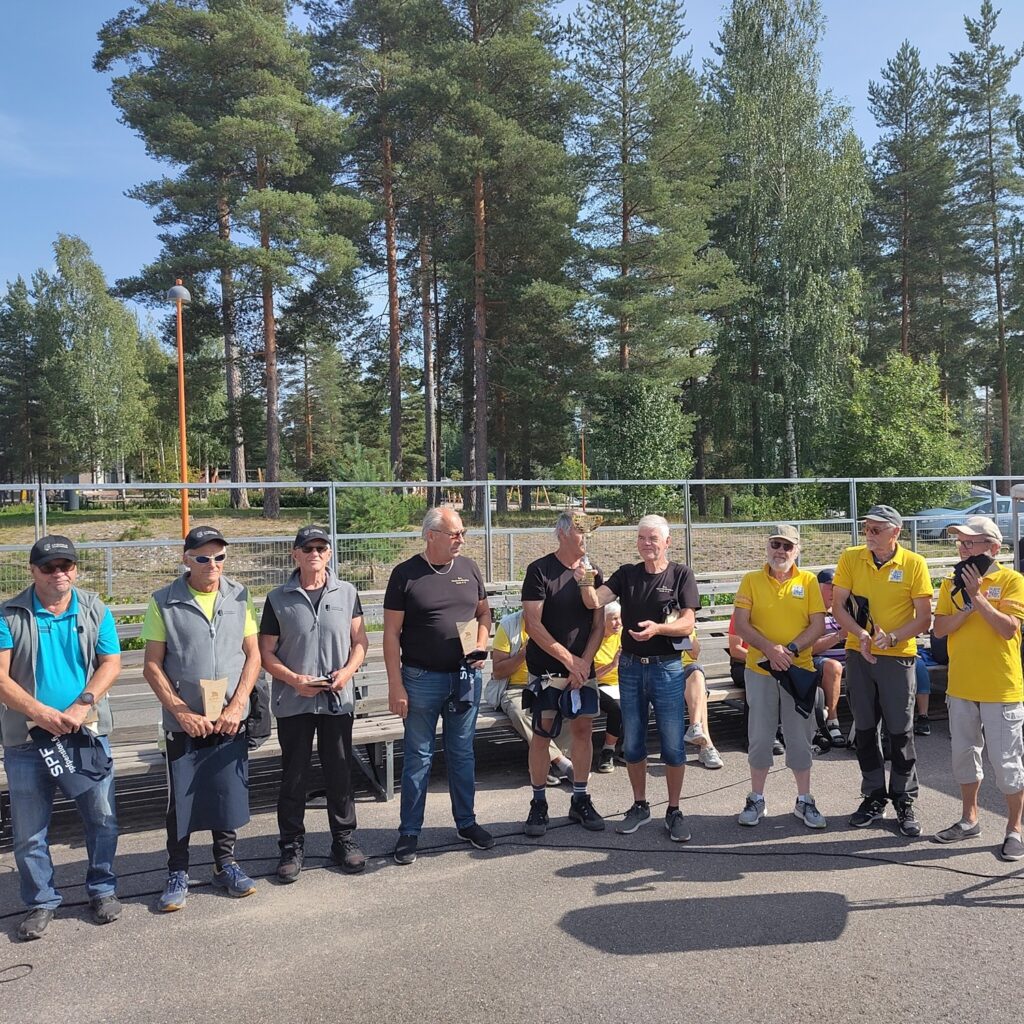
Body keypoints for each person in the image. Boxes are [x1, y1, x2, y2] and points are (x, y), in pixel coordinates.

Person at [0, 535, 122, 941]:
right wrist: (39, 713)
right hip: (27, 739)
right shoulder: (9, 614)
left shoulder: (94, 608)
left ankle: (102, 890)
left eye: (66, 565)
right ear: (32, 571)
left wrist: (82, 704)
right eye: (49, 567)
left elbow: (111, 662)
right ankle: (41, 901)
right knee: (29, 831)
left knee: (102, 817)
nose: (59, 574)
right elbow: (0, 679)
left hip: (85, 733)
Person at [142, 525, 262, 911]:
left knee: (225, 793)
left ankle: (225, 864)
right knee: (182, 799)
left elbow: (253, 657)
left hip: (228, 717)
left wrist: (236, 705)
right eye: (203, 557)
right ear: (186, 559)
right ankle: (177, 870)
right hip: (186, 720)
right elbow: (152, 666)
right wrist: (181, 711)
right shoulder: (163, 602)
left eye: (220, 557)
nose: (213, 564)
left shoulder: (240, 596)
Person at [579, 514, 700, 843]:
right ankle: (639, 805)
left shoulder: (681, 575)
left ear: (667, 542)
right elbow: (593, 600)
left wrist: (659, 629)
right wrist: (583, 576)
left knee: (673, 744)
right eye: (642, 538)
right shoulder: (626, 575)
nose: (647, 544)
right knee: (632, 743)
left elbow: (688, 623)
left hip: (667, 668)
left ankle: (674, 810)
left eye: (653, 538)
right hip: (630, 668)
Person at [384, 507, 494, 865]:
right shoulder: (406, 575)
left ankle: (466, 822)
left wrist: (482, 642)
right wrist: (395, 686)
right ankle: (409, 832)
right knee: (418, 757)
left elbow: (483, 612)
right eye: (454, 534)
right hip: (420, 680)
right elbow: (390, 635)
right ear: (431, 535)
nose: (461, 539)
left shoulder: (469, 568)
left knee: (462, 753)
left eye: (463, 533)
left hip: (464, 677)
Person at [259, 526, 369, 883]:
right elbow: (265, 653)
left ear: (330, 553)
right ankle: (291, 844)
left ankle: (344, 838)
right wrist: (295, 680)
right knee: (294, 776)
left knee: (340, 771)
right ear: (295, 555)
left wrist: (347, 673)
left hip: (337, 698)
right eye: (307, 548)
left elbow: (360, 641)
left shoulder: (347, 592)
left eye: (321, 547)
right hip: (295, 701)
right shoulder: (278, 599)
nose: (315, 554)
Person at [832, 504, 932, 837]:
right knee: (864, 730)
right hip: (858, 654)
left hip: (898, 656)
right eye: (866, 528)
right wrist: (860, 635)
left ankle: (904, 798)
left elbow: (923, 619)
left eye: (876, 529)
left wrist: (892, 638)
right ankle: (873, 795)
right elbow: (837, 605)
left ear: (895, 532)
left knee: (900, 731)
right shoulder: (851, 557)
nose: (869, 535)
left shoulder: (915, 563)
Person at [932, 516, 1024, 861]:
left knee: (1007, 764)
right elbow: (939, 630)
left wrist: (979, 597)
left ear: (994, 548)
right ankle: (969, 819)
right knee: (964, 757)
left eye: (971, 543)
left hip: (1001, 688)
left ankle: (1015, 828)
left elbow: (1007, 630)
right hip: (961, 686)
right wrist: (968, 604)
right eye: (960, 543)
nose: (963, 549)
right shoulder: (949, 583)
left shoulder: (1013, 580)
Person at [732, 525, 827, 829]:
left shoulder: (809, 581)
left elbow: (818, 626)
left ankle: (804, 800)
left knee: (800, 738)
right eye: (776, 544)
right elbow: (742, 625)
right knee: (760, 737)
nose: (780, 551)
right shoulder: (751, 580)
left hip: (798, 671)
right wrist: (770, 650)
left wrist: (790, 649)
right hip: (760, 670)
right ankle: (756, 798)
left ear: (797, 550)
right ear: (767, 546)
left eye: (787, 546)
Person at [521, 513, 607, 837]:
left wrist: (583, 663)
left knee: (583, 730)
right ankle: (539, 802)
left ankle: (581, 798)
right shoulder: (539, 570)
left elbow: (598, 624)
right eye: (582, 530)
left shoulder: (593, 571)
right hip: (546, 668)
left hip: (583, 669)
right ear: (564, 533)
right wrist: (569, 660)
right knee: (543, 733)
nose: (586, 537)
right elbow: (533, 624)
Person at [491, 607, 575, 785]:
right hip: (515, 687)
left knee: (568, 704)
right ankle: (560, 762)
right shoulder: (508, 626)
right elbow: (498, 672)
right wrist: (524, 653)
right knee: (520, 711)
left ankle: (548, 763)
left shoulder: (556, 623)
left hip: (547, 681)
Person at [812, 568, 847, 748]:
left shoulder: (844, 611)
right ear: (818, 588)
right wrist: (839, 636)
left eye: (836, 586)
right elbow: (808, 649)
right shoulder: (812, 612)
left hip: (849, 660)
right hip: (819, 661)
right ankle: (833, 720)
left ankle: (871, 726)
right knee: (834, 667)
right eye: (829, 586)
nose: (834, 591)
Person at [682, 633, 724, 769]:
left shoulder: (684, 621)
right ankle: (707, 747)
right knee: (701, 694)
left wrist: (684, 632)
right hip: (662, 672)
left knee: (697, 672)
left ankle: (695, 727)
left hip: (685, 672)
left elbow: (694, 654)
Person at [592, 602, 624, 773]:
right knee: (616, 708)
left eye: (620, 618)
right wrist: (612, 665)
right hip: (598, 685)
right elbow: (588, 675)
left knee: (644, 702)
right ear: (602, 621)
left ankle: (628, 748)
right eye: (613, 619)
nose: (618, 623)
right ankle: (608, 750)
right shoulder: (592, 640)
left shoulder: (623, 635)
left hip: (622, 684)